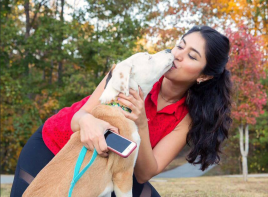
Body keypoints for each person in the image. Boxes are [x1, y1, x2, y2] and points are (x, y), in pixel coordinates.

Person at [10, 25, 233, 197]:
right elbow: (79, 117)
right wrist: (88, 122)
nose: (178, 54)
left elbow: (145, 173)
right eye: (180, 45)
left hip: (107, 166)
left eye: (192, 56)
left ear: (204, 76)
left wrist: (141, 123)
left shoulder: (186, 117)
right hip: (55, 144)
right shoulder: (135, 69)